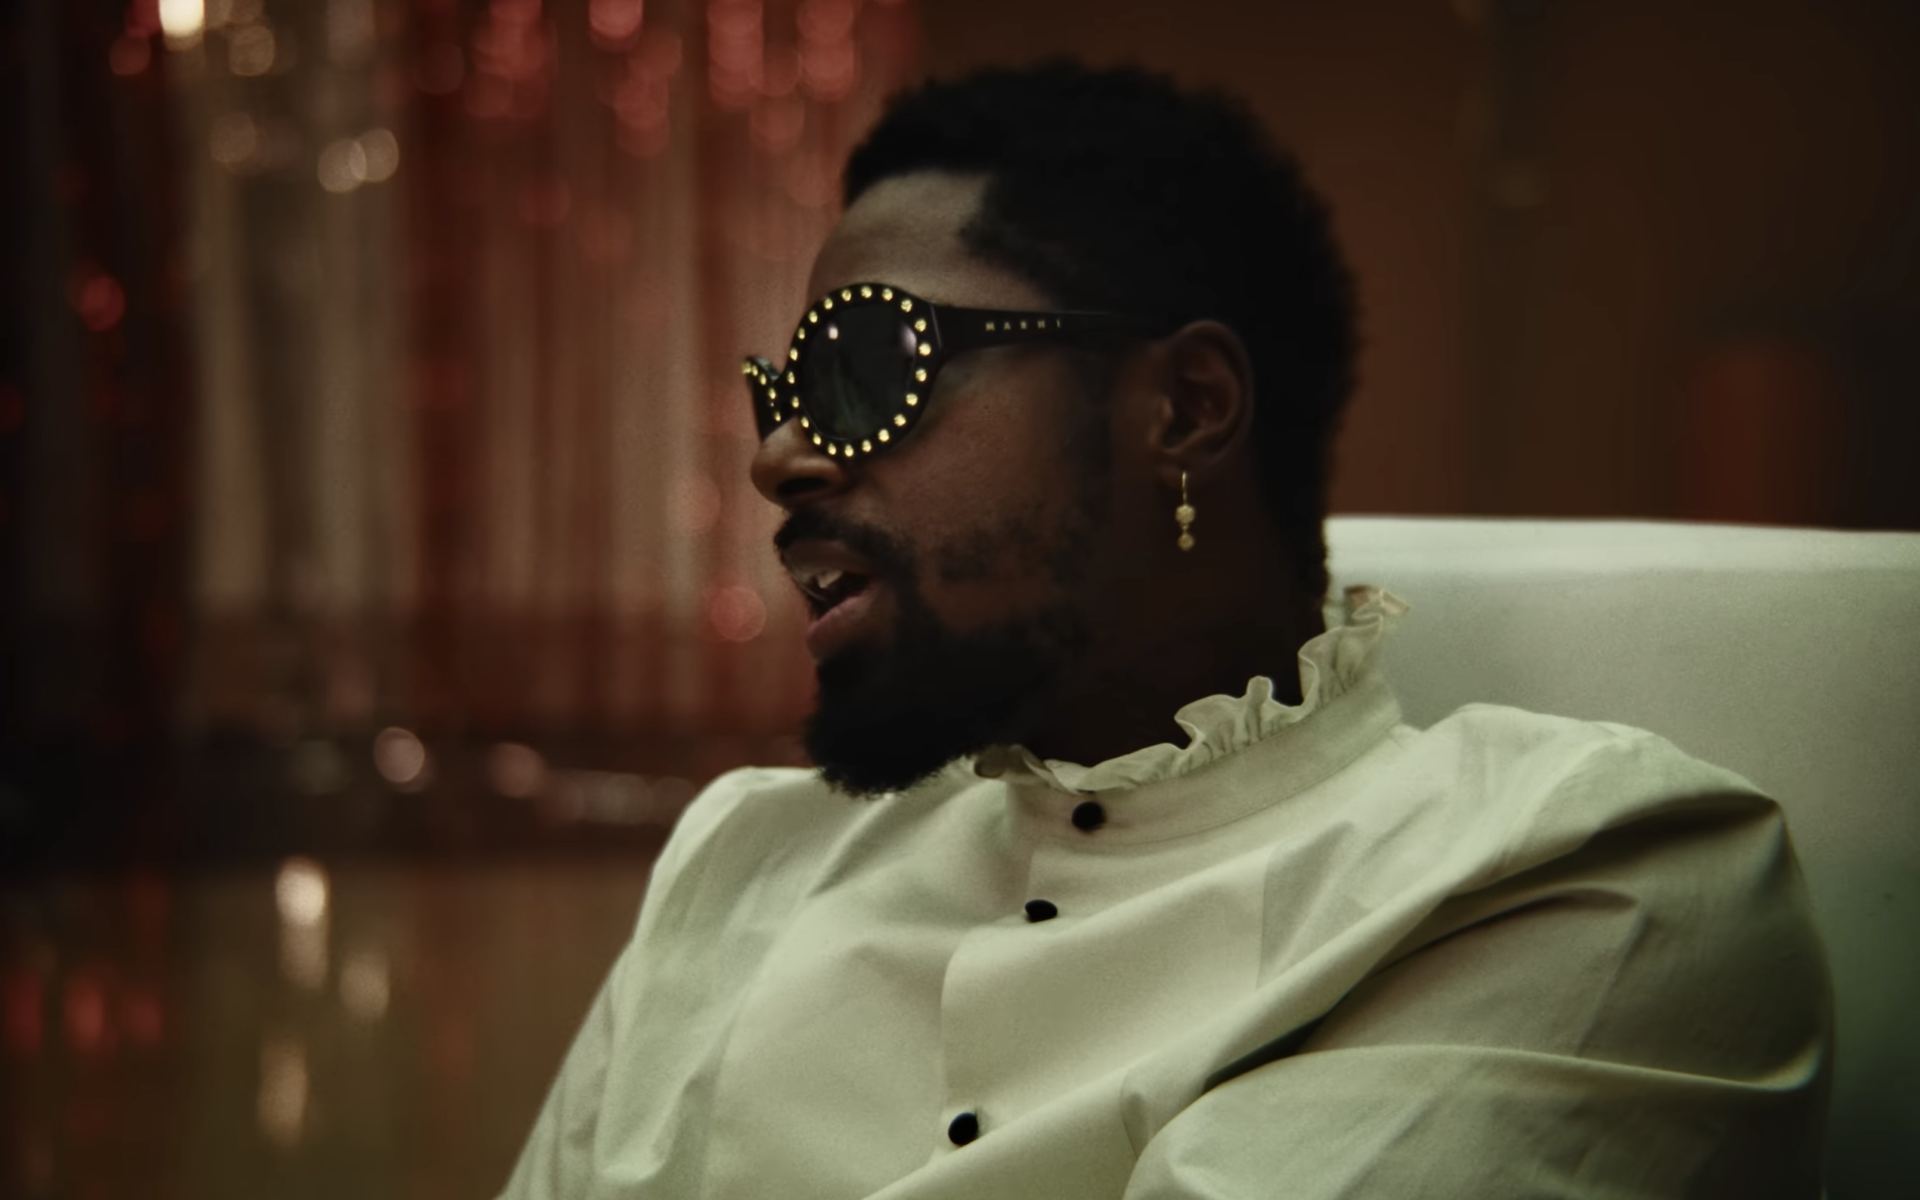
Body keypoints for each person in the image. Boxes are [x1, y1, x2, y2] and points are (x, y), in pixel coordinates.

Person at [501, 62, 1830, 1199]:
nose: (778, 457)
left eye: (862, 367)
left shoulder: (1577, 876)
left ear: (1185, 407)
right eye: (780, 392)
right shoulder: (742, 863)